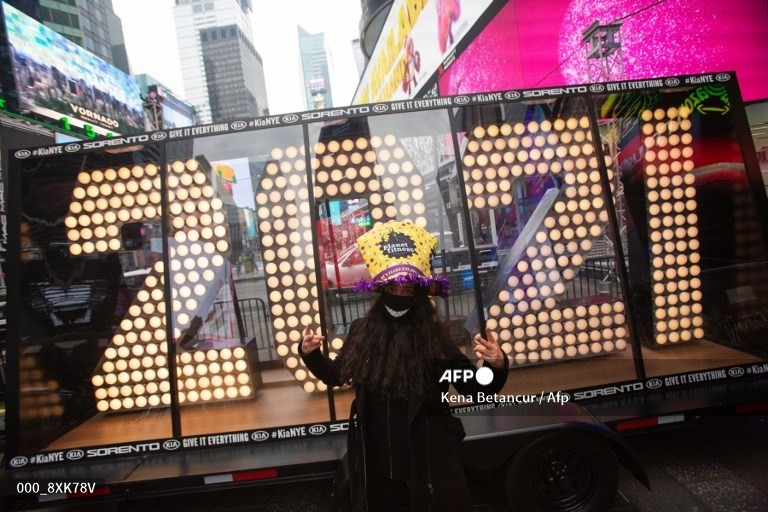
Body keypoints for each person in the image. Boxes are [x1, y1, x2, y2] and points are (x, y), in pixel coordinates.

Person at [299, 220, 509, 512]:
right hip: (376, 461)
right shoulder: (362, 330)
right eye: (393, 289)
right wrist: (311, 355)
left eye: (407, 291)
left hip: (425, 461)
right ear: (381, 289)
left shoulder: (435, 339)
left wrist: (496, 366)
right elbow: (337, 374)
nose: (398, 296)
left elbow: (474, 388)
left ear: (419, 297)